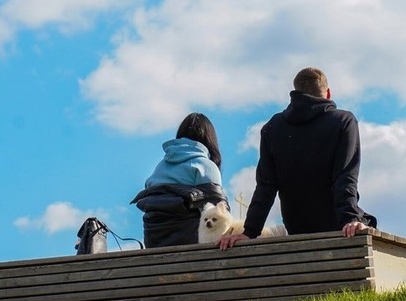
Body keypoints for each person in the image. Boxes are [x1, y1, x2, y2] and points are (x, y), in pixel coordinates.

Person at [220, 67, 375, 249]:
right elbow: (345, 177)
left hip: (298, 227)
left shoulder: (272, 128)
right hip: (337, 224)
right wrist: (350, 219)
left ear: (294, 95)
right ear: (328, 93)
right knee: (371, 224)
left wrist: (249, 232)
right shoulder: (343, 122)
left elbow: (266, 186)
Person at [131, 112, 227, 248]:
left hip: (154, 245)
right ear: (210, 139)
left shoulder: (159, 168)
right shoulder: (205, 166)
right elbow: (219, 215)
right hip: (193, 246)